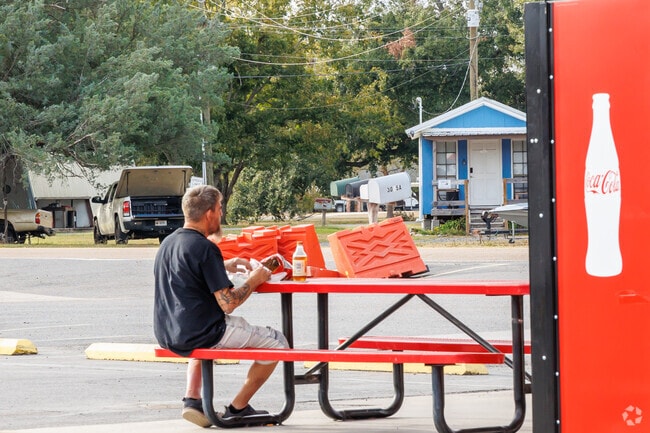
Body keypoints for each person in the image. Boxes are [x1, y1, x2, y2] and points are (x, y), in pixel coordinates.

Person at [153, 184, 288, 428]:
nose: (221, 214)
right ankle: (238, 408)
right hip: (204, 332)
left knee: (198, 336)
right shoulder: (205, 248)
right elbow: (228, 304)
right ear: (209, 214)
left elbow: (188, 270)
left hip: (169, 332)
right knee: (279, 343)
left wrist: (226, 264)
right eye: (219, 208)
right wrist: (256, 278)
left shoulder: (169, 244)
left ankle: (192, 400)